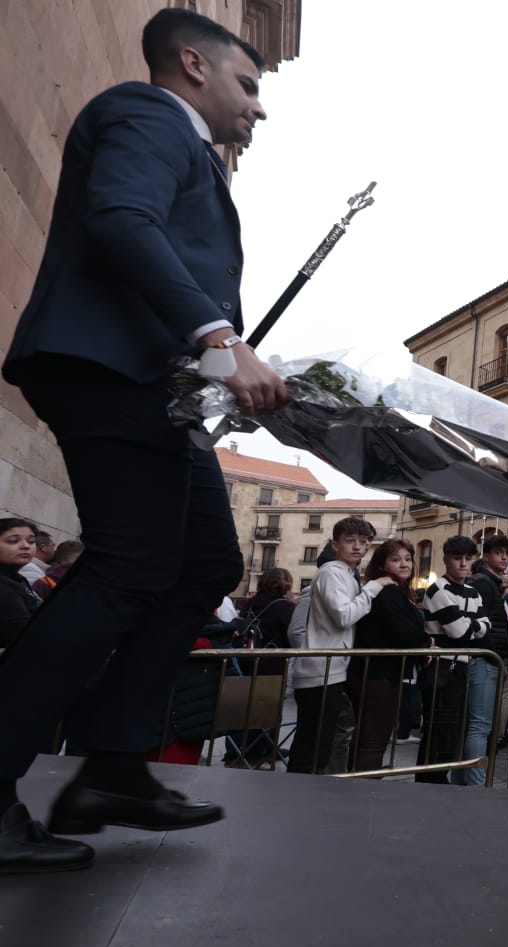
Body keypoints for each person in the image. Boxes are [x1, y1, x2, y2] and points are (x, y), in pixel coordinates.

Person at [0, 8, 288, 874]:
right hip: (107, 372)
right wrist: (217, 339)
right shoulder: (146, 113)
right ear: (192, 65)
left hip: (153, 389)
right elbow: (124, 219)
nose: (259, 109)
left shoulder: (182, 141)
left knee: (204, 564)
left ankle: (115, 767)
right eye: (249, 85)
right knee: (128, 569)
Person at [288, 517, 390, 775]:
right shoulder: (332, 572)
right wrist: (373, 589)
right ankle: (293, 797)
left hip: (329, 668)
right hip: (319, 670)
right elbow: (344, 616)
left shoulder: (347, 574)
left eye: (364, 542)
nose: (358, 546)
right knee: (312, 746)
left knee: (320, 743)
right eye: (350, 540)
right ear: (335, 544)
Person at [347, 540, 428, 772]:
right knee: (373, 740)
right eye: (396, 559)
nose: (404, 563)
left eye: (408, 558)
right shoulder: (388, 591)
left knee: (368, 738)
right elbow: (403, 632)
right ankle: (364, 792)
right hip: (379, 675)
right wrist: (426, 643)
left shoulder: (393, 590)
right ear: (382, 564)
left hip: (375, 673)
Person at [421, 536, 491, 785]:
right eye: (457, 558)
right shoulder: (438, 589)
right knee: (438, 731)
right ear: (446, 560)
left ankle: (438, 780)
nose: (463, 563)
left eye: (467, 558)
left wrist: (468, 624)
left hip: (460, 666)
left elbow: (486, 625)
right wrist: (471, 625)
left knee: (453, 730)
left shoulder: (473, 591)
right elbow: (460, 632)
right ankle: (431, 782)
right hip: (442, 667)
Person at [225, 567, 296, 768]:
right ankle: (263, 750)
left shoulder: (249, 603)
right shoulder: (286, 607)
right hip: (271, 665)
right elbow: (292, 636)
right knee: (267, 710)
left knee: (239, 709)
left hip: (244, 662)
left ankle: (235, 752)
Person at [468, 534, 508, 747]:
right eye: (498, 553)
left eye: (506, 553)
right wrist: (494, 653)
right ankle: (478, 775)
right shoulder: (483, 583)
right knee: (480, 722)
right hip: (487, 658)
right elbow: (482, 621)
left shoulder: (490, 583)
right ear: (486, 556)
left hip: (494, 656)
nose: (504, 558)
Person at [0, 519, 42, 647]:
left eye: (31, 541)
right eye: (13, 541)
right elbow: (20, 634)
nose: (26, 546)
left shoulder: (17, 578)